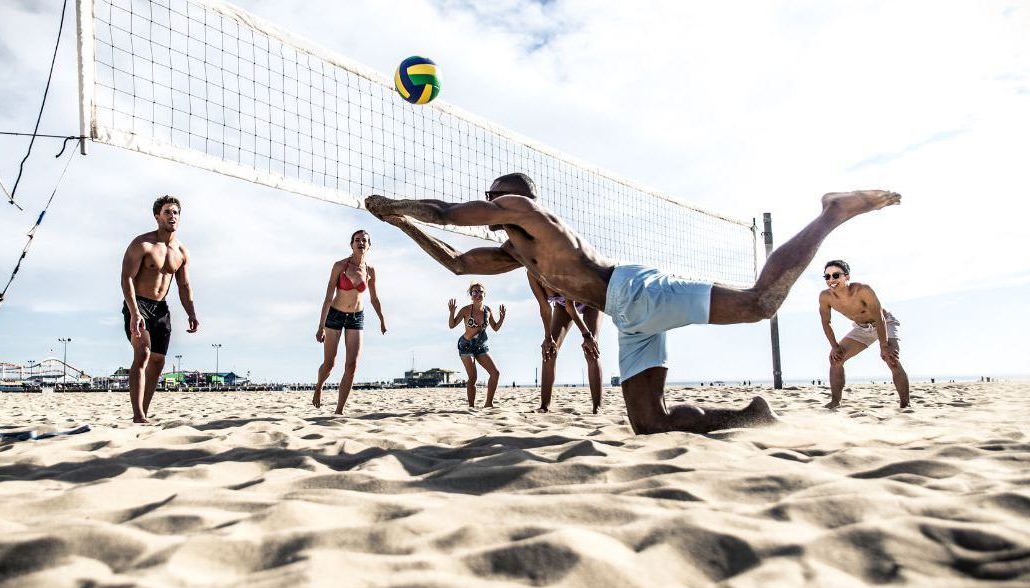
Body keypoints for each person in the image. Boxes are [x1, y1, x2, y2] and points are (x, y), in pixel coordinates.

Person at [365, 173, 901, 434]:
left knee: (761, 303)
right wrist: (402, 222)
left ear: (513, 198)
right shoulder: (515, 251)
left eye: (495, 195)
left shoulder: (528, 214)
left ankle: (831, 213)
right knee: (649, 423)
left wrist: (402, 203)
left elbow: (450, 212)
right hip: (628, 314)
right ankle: (748, 416)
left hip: (634, 291)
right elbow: (458, 263)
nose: (490, 202)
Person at [120, 195, 199, 423]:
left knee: (158, 361)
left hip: (161, 309)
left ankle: (142, 412)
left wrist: (191, 312)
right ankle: (139, 414)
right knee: (142, 353)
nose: (172, 216)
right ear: (157, 216)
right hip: (139, 304)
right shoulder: (143, 244)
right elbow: (126, 278)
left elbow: (184, 285)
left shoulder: (181, 252)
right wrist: (134, 311)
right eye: (167, 212)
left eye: (175, 212)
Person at [312, 230, 387, 414]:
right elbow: (328, 297)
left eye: (364, 240)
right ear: (351, 244)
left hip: (356, 317)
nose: (361, 243)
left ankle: (339, 410)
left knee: (351, 366)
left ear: (369, 246)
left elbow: (374, 299)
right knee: (330, 364)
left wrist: (382, 320)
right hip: (335, 315)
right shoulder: (339, 266)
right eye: (357, 240)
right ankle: (319, 386)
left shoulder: (370, 271)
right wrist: (321, 326)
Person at [818, 259, 910, 409]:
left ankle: (905, 405)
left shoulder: (863, 290)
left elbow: (879, 317)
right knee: (835, 359)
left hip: (884, 323)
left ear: (846, 277)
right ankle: (835, 402)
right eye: (827, 277)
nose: (831, 280)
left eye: (835, 275)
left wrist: (884, 345)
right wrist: (834, 346)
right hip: (861, 328)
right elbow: (826, 322)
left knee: (891, 358)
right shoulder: (825, 297)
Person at [528, 273, 602, 413]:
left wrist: (587, 336)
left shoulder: (558, 265)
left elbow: (571, 306)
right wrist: (548, 338)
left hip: (591, 299)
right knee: (549, 350)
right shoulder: (531, 274)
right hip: (563, 306)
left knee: (591, 349)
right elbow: (545, 308)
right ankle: (545, 406)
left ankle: (597, 407)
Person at [448, 282, 506, 407]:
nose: (477, 294)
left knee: (495, 373)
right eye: (474, 292)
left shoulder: (487, 310)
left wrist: (501, 319)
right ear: (471, 295)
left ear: (484, 294)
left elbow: (495, 328)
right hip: (466, 345)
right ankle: (471, 407)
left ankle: (488, 404)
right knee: (473, 378)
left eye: (480, 292)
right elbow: (452, 325)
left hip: (480, 345)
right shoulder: (466, 310)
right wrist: (452, 312)